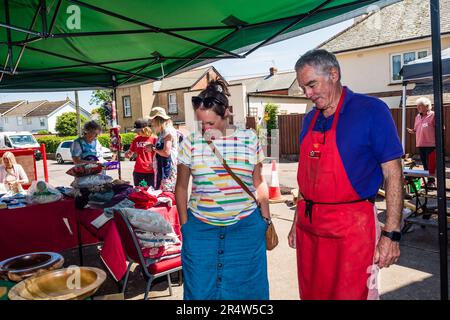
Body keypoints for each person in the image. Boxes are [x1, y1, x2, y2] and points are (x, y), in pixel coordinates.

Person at [288, 49, 403, 300]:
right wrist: (297, 221)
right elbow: (307, 178)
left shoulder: (372, 111)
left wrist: (391, 233)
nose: (307, 94)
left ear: (333, 74)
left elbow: (393, 174)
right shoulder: (309, 120)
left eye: (311, 85)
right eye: (303, 88)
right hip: (310, 230)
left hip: (353, 231)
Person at [175, 79, 270, 300]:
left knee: (247, 292)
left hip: (245, 230)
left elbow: (259, 182)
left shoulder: (249, 139)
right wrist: (185, 225)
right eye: (201, 123)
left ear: (226, 113)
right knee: (200, 291)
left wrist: (264, 219)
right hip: (200, 231)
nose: (205, 128)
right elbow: (181, 187)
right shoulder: (190, 143)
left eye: (210, 122)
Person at [147, 107, 178, 192]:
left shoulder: (168, 131)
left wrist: (153, 148)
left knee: (167, 192)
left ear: (158, 120)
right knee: (163, 192)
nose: (152, 123)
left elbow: (166, 152)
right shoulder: (163, 132)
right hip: (163, 166)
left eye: (153, 120)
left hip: (167, 168)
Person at [407, 97, 436, 185]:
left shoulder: (433, 115)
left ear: (427, 106)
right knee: (425, 164)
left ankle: (432, 181)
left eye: (420, 106)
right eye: (417, 106)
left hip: (431, 144)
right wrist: (413, 131)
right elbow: (416, 129)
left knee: (431, 164)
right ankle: (429, 180)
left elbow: (441, 128)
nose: (418, 108)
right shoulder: (417, 116)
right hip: (420, 143)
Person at [125, 118, 157, 187]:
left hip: (151, 171)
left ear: (144, 129)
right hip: (138, 171)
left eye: (138, 130)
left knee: (150, 193)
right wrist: (128, 154)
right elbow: (131, 152)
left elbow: (160, 154)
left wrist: (154, 163)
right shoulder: (136, 139)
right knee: (139, 193)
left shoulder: (154, 139)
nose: (136, 132)